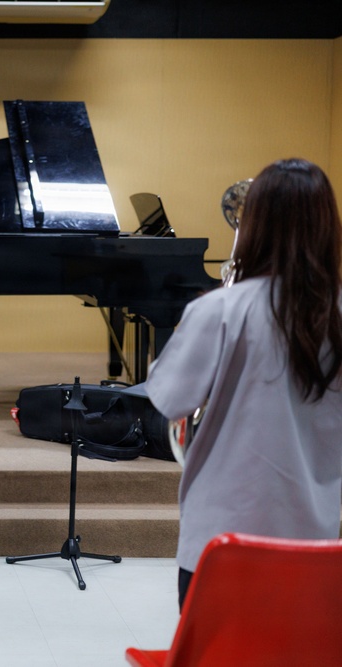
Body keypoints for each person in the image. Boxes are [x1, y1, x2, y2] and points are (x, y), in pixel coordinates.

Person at [144, 158, 342, 610]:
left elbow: (168, 397)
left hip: (221, 539)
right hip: (315, 538)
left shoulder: (220, 310)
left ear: (254, 225)